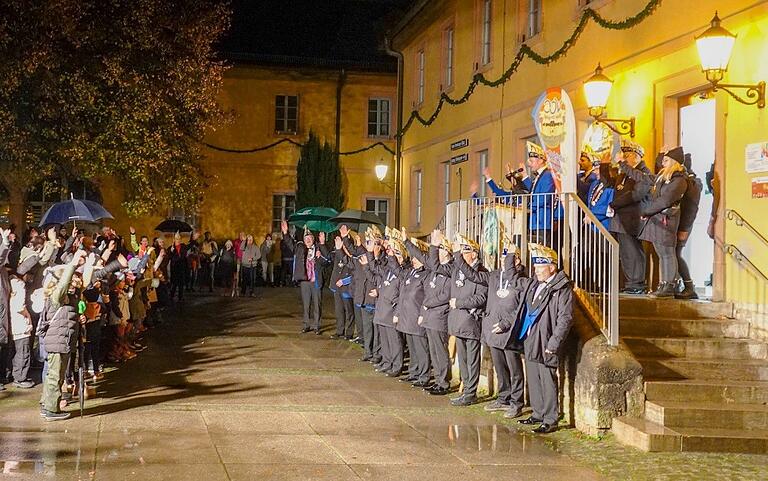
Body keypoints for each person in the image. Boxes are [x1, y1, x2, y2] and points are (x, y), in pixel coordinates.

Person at [454, 235, 527, 418]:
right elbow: (472, 274)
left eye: (508, 258)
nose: (504, 261)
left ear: (517, 259)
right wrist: (457, 254)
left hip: (509, 331)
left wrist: (506, 323)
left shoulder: (522, 279)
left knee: (514, 369)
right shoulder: (494, 276)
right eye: (503, 258)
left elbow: (519, 307)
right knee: (500, 368)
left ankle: (516, 402)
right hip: (492, 329)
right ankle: (503, 398)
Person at [514, 243, 573, 434]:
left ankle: (550, 418)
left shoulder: (562, 289)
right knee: (533, 376)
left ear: (552, 267)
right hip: (532, 337)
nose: (536, 271)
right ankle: (538, 413)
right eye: (536, 268)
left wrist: (554, 342)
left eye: (540, 268)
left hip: (547, 339)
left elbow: (565, 318)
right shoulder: (536, 285)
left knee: (547, 379)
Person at [428, 230, 488, 407]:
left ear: (473, 254)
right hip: (457, 323)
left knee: (472, 360)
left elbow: (481, 298)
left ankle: (471, 392)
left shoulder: (482, 272)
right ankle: (466, 390)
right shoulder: (456, 270)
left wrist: (459, 302)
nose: (460, 256)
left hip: (470, 322)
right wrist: (434, 245)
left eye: (463, 252)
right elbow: (435, 265)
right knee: (463, 361)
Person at [620, 146, 689, 299]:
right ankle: (664, 284)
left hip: (666, 221)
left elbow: (665, 200)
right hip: (658, 220)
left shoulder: (679, 180)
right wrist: (624, 166)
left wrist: (647, 211)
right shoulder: (662, 177)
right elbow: (642, 177)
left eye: (665, 160)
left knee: (667, 253)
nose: (662, 163)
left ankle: (669, 285)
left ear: (673, 162)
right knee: (661, 253)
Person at [36, 250, 87, 421]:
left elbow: (81, 288)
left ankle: (47, 404)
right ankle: (51, 409)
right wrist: (72, 264)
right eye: (71, 281)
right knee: (55, 376)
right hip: (58, 341)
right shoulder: (57, 297)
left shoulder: (70, 299)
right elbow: (63, 285)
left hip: (63, 341)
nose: (74, 283)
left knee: (54, 375)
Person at [414, 233, 453, 396]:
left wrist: (428, 304)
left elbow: (445, 295)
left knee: (440, 350)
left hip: (439, 316)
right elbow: (428, 291)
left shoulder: (450, 269)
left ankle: (443, 382)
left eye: (441, 249)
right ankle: (438, 379)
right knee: (434, 351)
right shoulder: (435, 270)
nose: (438, 252)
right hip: (430, 316)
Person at [364, 232, 407, 377]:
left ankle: (396, 365)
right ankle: (387, 362)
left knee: (394, 341)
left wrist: (391, 252)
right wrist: (370, 253)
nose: (391, 256)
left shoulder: (402, 272)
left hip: (391, 310)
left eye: (395, 254)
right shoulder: (388, 270)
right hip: (382, 309)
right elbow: (375, 269)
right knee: (385, 339)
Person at [280, 220, 329, 334]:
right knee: (306, 304)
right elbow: (289, 243)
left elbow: (328, 261)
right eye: (306, 238)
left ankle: (316, 326)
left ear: (313, 239)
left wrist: (321, 254)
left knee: (317, 304)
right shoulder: (300, 247)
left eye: (310, 238)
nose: (308, 240)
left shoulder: (319, 248)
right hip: (305, 280)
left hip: (316, 281)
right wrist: (286, 232)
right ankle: (306, 324)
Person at [676, 153, 703, 299]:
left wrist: (684, 228)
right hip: (680, 223)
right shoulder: (687, 180)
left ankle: (689, 286)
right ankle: (682, 285)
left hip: (683, 224)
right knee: (674, 254)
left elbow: (691, 208)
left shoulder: (692, 183)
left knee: (675, 254)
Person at [329, 227, 355, 340]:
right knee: (339, 310)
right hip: (337, 287)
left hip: (347, 287)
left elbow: (354, 272)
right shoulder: (338, 254)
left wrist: (344, 281)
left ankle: (349, 332)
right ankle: (340, 330)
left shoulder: (351, 257)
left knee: (349, 311)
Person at [167, 232, 188, 302]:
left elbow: (187, 249)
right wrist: (171, 251)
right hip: (175, 268)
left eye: (179, 238)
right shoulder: (170, 248)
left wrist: (193, 240)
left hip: (182, 268)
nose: (178, 240)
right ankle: (171, 296)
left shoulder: (183, 246)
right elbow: (169, 257)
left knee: (181, 284)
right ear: (174, 239)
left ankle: (180, 297)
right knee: (174, 284)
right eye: (176, 239)